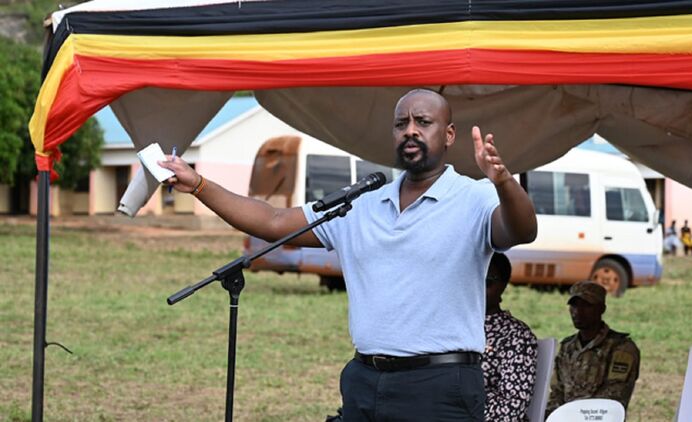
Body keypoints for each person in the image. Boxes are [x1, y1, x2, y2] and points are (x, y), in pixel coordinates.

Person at [161, 88, 538, 421]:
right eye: (401, 123)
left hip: (440, 386)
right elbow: (273, 221)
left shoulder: (475, 197)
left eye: (423, 122)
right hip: (365, 380)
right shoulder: (362, 204)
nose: (410, 130)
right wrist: (199, 185)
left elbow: (521, 230)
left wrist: (503, 182)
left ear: (449, 134)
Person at [545, 281, 640, 417]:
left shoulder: (621, 348)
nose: (578, 311)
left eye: (586, 305)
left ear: (602, 309)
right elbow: (557, 392)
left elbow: (613, 398)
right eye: (574, 305)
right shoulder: (567, 347)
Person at [482, 253, 537, 422]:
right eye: (473, 279)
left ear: (503, 286)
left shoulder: (516, 335)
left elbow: (512, 406)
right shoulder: (451, 328)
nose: (477, 287)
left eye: (487, 281)